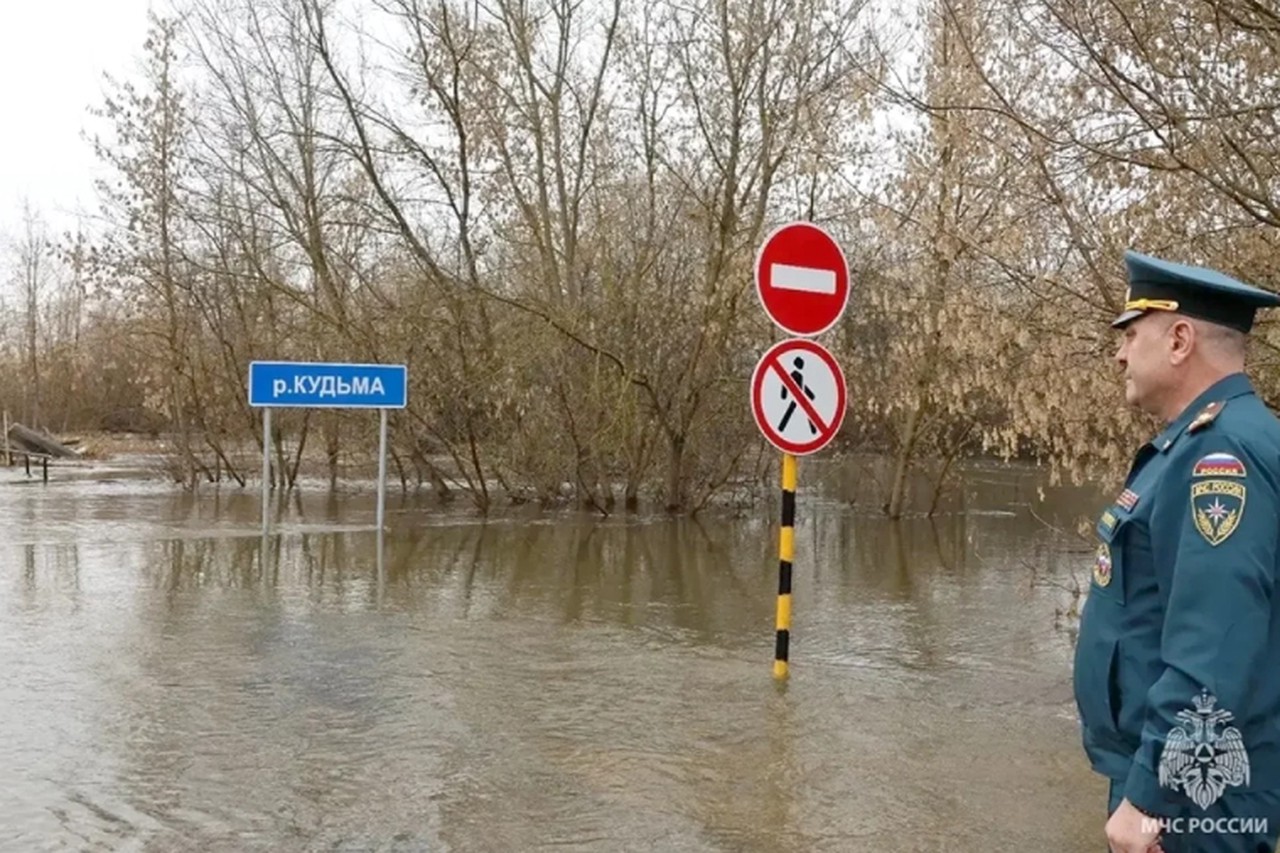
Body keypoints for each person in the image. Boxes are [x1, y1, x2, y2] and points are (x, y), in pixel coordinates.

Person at [1074, 249, 1280, 853]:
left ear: (1180, 339)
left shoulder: (1221, 458)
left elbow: (1212, 648)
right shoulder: (1207, 442)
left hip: (1193, 797)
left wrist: (1146, 797)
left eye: (1131, 334)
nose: (1118, 353)